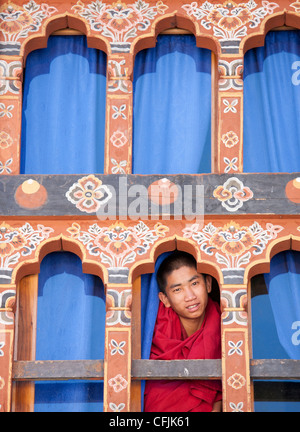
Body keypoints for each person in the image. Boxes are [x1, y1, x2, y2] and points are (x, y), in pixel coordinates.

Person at [144, 251, 222, 412]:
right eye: (178, 290)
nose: (190, 296)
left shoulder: (225, 324)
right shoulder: (152, 332)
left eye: (194, 284)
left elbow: (220, 388)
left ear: (208, 284)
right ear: (164, 299)